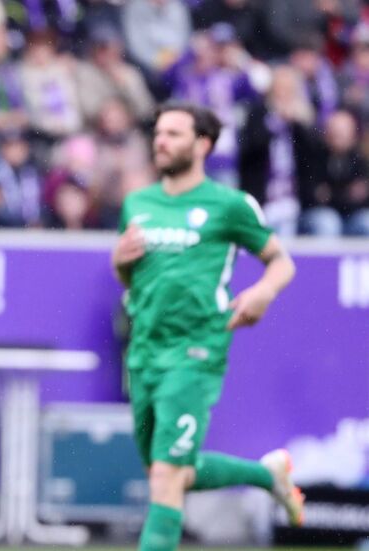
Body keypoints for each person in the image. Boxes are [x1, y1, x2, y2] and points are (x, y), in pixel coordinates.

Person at [111, 101, 303, 551]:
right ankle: (267, 475)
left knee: (166, 474)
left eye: (173, 134)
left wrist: (262, 292)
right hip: (143, 350)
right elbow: (132, 277)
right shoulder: (138, 203)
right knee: (171, 472)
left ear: (203, 144)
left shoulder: (230, 205)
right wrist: (119, 264)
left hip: (196, 349)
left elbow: (281, 262)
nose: (161, 141)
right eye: (158, 133)